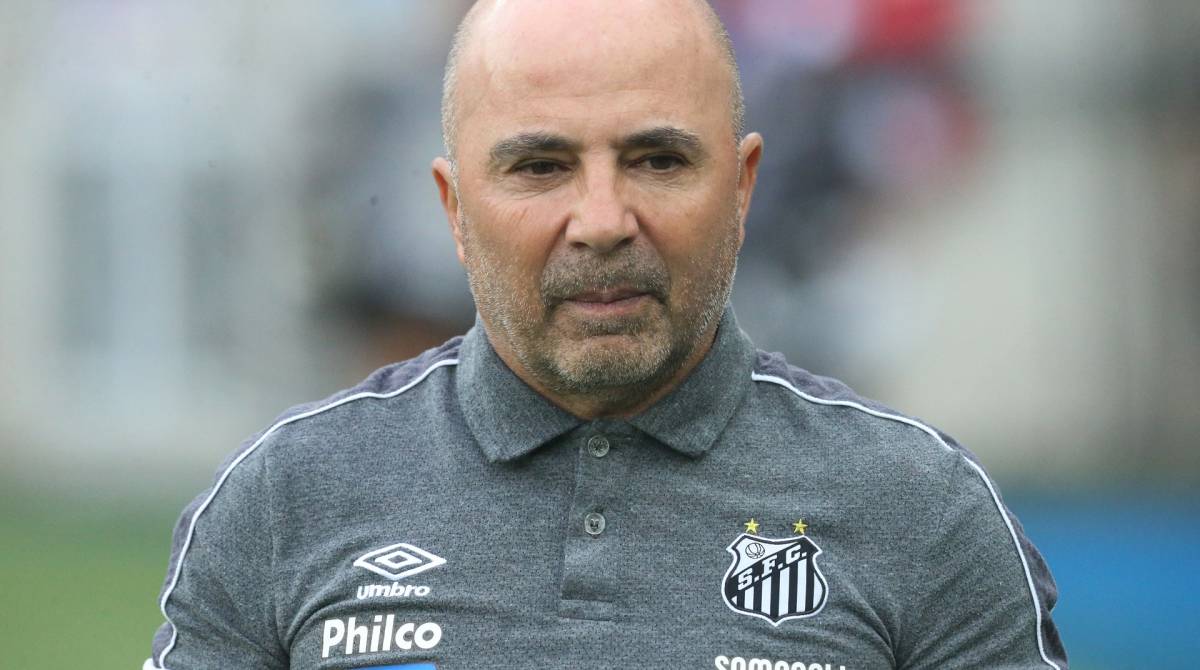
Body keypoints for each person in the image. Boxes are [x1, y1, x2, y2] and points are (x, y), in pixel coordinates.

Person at [145, 1, 1067, 668]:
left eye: (657, 160)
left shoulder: (925, 515)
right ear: (454, 207)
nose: (602, 219)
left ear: (742, 191)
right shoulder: (281, 502)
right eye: (540, 166)